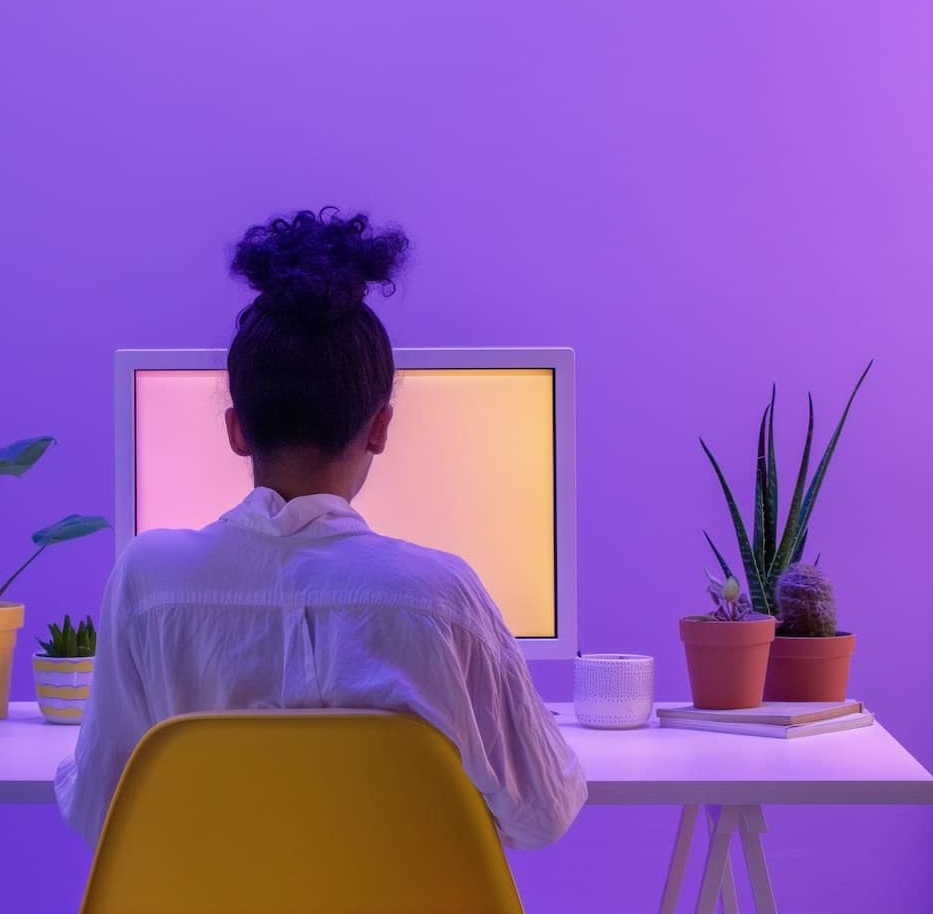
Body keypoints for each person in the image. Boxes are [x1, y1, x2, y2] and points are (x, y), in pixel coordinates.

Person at [56, 207, 587, 848]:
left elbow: (96, 812)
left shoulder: (148, 583)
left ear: (236, 429)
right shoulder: (442, 597)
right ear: (381, 427)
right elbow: (543, 816)